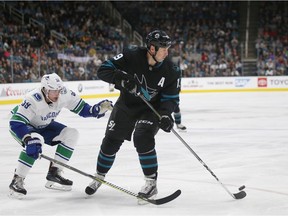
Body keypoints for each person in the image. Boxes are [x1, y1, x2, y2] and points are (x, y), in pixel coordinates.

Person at [85, 30, 181, 201]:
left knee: (142, 136)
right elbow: (103, 70)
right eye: (163, 48)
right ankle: (99, 175)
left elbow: (171, 98)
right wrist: (121, 79)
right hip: (127, 104)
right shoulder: (131, 55)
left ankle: (151, 183)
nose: (167, 52)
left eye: (168, 48)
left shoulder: (172, 70)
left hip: (151, 109)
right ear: (152, 48)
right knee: (110, 141)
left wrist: (166, 115)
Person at [8, 73, 113, 198]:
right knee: (36, 140)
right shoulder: (32, 99)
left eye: (58, 90)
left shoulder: (64, 93)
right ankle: (17, 179)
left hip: (44, 124)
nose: (57, 94)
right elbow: (16, 122)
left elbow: (83, 109)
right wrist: (27, 139)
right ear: (45, 90)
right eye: (53, 91)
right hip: (23, 126)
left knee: (72, 134)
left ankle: (54, 172)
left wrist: (96, 110)